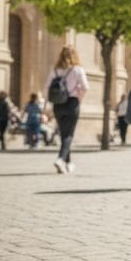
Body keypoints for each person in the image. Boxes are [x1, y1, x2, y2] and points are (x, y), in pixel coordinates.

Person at [46, 45, 89, 174]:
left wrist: (46, 106)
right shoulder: (78, 70)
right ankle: (60, 159)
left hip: (58, 105)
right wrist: (79, 97)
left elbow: (46, 88)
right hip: (72, 103)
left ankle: (68, 163)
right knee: (69, 134)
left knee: (64, 133)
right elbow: (86, 87)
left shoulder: (55, 71)